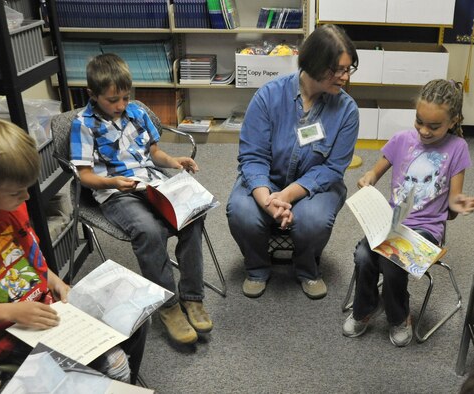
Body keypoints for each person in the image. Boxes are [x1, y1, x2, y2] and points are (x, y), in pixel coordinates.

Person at [0, 118, 148, 384]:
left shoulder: (10, 205)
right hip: (6, 330)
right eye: (15, 192)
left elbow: (29, 260)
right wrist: (10, 313)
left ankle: (108, 384)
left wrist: (57, 283)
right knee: (114, 365)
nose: (25, 198)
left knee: (136, 320)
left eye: (27, 188)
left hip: (45, 306)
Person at [69, 53, 213, 346]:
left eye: (125, 97)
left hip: (153, 184)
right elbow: (84, 175)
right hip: (115, 192)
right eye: (112, 100)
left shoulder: (136, 112)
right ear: (92, 95)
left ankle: (192, 297)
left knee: (193, 215)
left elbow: (154, 154)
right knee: (148, 230)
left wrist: (174, 162)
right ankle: (169, 306)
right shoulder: (83, 124)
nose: (121, 105)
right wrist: (111, 181)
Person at [226, 24, 360, 299]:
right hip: (268, 180)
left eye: (349, 69)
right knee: (241, 211)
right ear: (315, 64)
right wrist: (267, 199)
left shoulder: (347, 111)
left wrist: (286, 195)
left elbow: (333, 168)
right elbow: (253, 157)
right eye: (339, 69)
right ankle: (257, 267)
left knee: (313, 220)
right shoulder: (268, 96)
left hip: (316, 186)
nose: (345, 77)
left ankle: (307, 269)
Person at [342, 79, 474, 347]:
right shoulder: (402, 139)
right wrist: (368, 178)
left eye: (434, 126)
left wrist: (457, 204)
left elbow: (453, 203)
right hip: (392, 221)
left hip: (427, 230)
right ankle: (366, 308)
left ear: (453, 121)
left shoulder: (457, 149)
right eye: (419, 121)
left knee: (392, 260)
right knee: (363, 254)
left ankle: (399, 317)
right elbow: (375, 171)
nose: (424, 131)